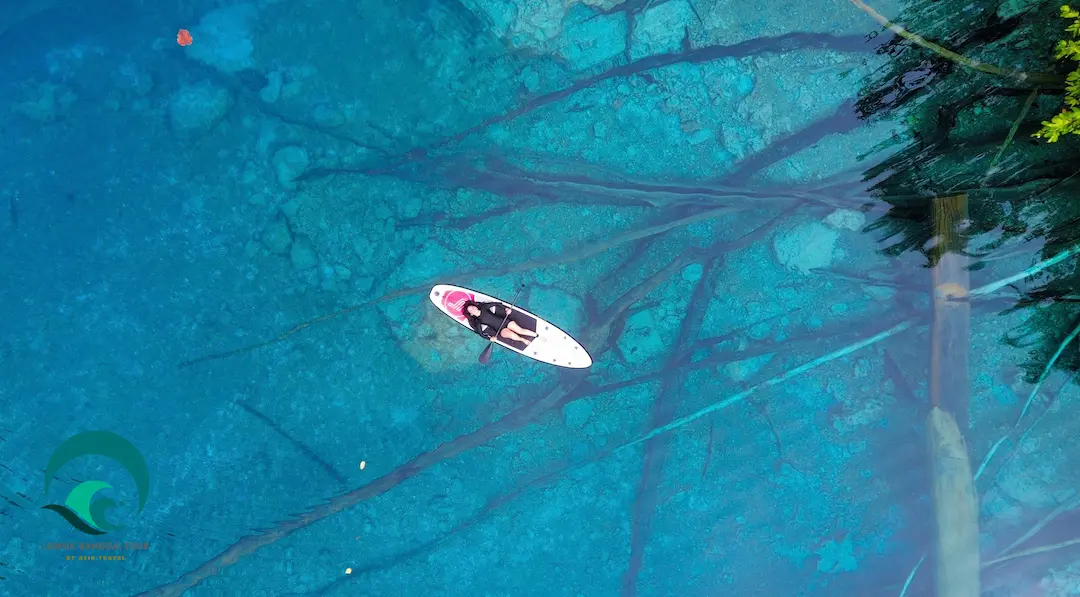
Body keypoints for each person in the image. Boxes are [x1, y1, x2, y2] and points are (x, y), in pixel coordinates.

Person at [462, 300, 538, 346]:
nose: (473, 309)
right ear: (471, 314)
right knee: (512, 335)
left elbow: (496, 304)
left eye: (472, 307)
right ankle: (523, 340)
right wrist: (490, 338)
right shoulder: (478, 321)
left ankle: (535, 335)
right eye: (471, 310)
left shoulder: (484, 307)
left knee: (520, 330)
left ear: (475, 306)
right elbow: (480, 333)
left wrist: (506, 309)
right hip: (500, 330)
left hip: (505, 321)